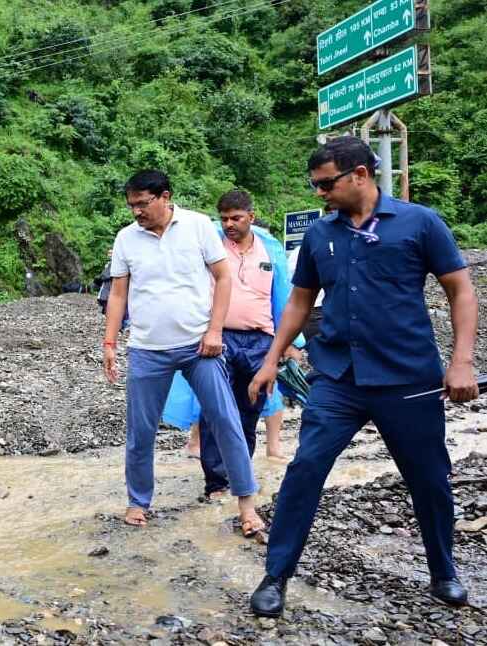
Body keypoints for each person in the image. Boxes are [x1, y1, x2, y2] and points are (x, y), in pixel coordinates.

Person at [248, 136, 479, 617]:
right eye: (314, 185)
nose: (319, 194)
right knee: (305, 468)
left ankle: (444, 571)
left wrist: (461, 361)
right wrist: (272, 358)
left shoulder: (420, 223)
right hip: (338, 377)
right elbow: (300, 301)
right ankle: (276, 576)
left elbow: (460, 290)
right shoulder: (320, 234)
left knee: (429, 478)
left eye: (326, 183)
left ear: (360, 174)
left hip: (406, 377)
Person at [102, 169, 262, 532]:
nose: (137, 212)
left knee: (225, 421)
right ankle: (138, 501)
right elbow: (118, 294)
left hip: (198, 346)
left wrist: (215, 330)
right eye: (132, 206)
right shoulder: (126, 238)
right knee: (140, 431)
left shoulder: (198, 226)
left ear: (165, 197)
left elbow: (222, 277)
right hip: (147, 349)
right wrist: (110, 342)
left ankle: (247, 505)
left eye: (143, 204)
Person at [165, 191, 303, 503]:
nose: (229, 224)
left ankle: (241, 476)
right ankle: (216, 484)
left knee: (249, 410)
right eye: (224, 218)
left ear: (251, 217)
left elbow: (284, 296)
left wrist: (290, 342)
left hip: (260, 341)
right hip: (218, 338)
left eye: (236, 218)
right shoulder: (209, 246)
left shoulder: (270, 249)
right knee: (215, 410)